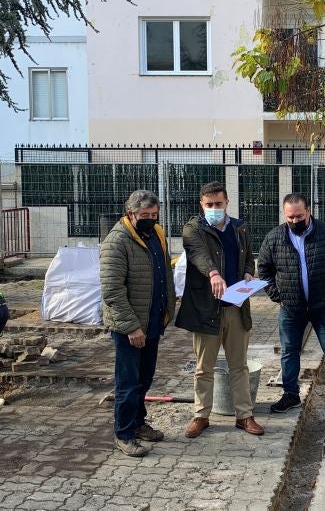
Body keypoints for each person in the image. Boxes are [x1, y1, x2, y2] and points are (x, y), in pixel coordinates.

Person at [175, 181, 264, 438]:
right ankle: (201, 416)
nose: (214, 208)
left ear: (227, 203)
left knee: (239, 365)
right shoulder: (193, 229)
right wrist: (213, 273)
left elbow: (248, 257)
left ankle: (244, 415)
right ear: (201, 204)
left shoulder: (239, 227)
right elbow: (198, 254)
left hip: (236, 307)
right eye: (209, 204)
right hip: (206, 308)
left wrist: (248, 272)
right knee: (204, 367)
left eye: (218, 204)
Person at [258, 193, 325, 415]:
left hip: (322, 305)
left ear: (309, 211)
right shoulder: (274, 237)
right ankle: (290, 394)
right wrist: (277, 296)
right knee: (289, 351)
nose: (295, 221)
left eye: (299, 216)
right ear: (284, 214)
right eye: (290, 217)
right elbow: (264, 269)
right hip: (290, 307)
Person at [100, 189, 176, 457]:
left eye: (154, 215)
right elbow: (112, 290)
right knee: (128, 382)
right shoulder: (116, 242)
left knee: (144, 378)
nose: (151, 219)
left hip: (152, 320)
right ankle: (124, 434)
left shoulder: (157, 234)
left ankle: (138, 423)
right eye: (145, 215)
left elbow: (164, 272)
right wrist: (132, 327)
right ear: (130, 214)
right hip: (129, 326)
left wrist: (166, 311)